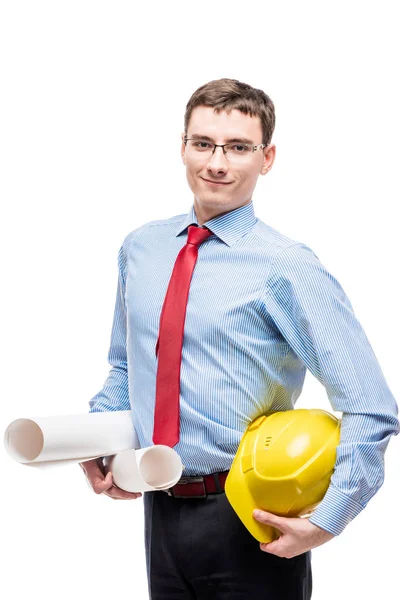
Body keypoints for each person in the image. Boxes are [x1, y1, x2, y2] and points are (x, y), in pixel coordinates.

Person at [79, 78, 399, 599]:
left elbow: (371, 406)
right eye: (203, 143)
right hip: (157, 508)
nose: (217, 163)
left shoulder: (288, 266)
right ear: (182, 146)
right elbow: (125, 369)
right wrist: (102, 444)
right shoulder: (142, 248)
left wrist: (329, 519)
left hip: (250, 514)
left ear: (266, 157)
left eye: (238, 147)